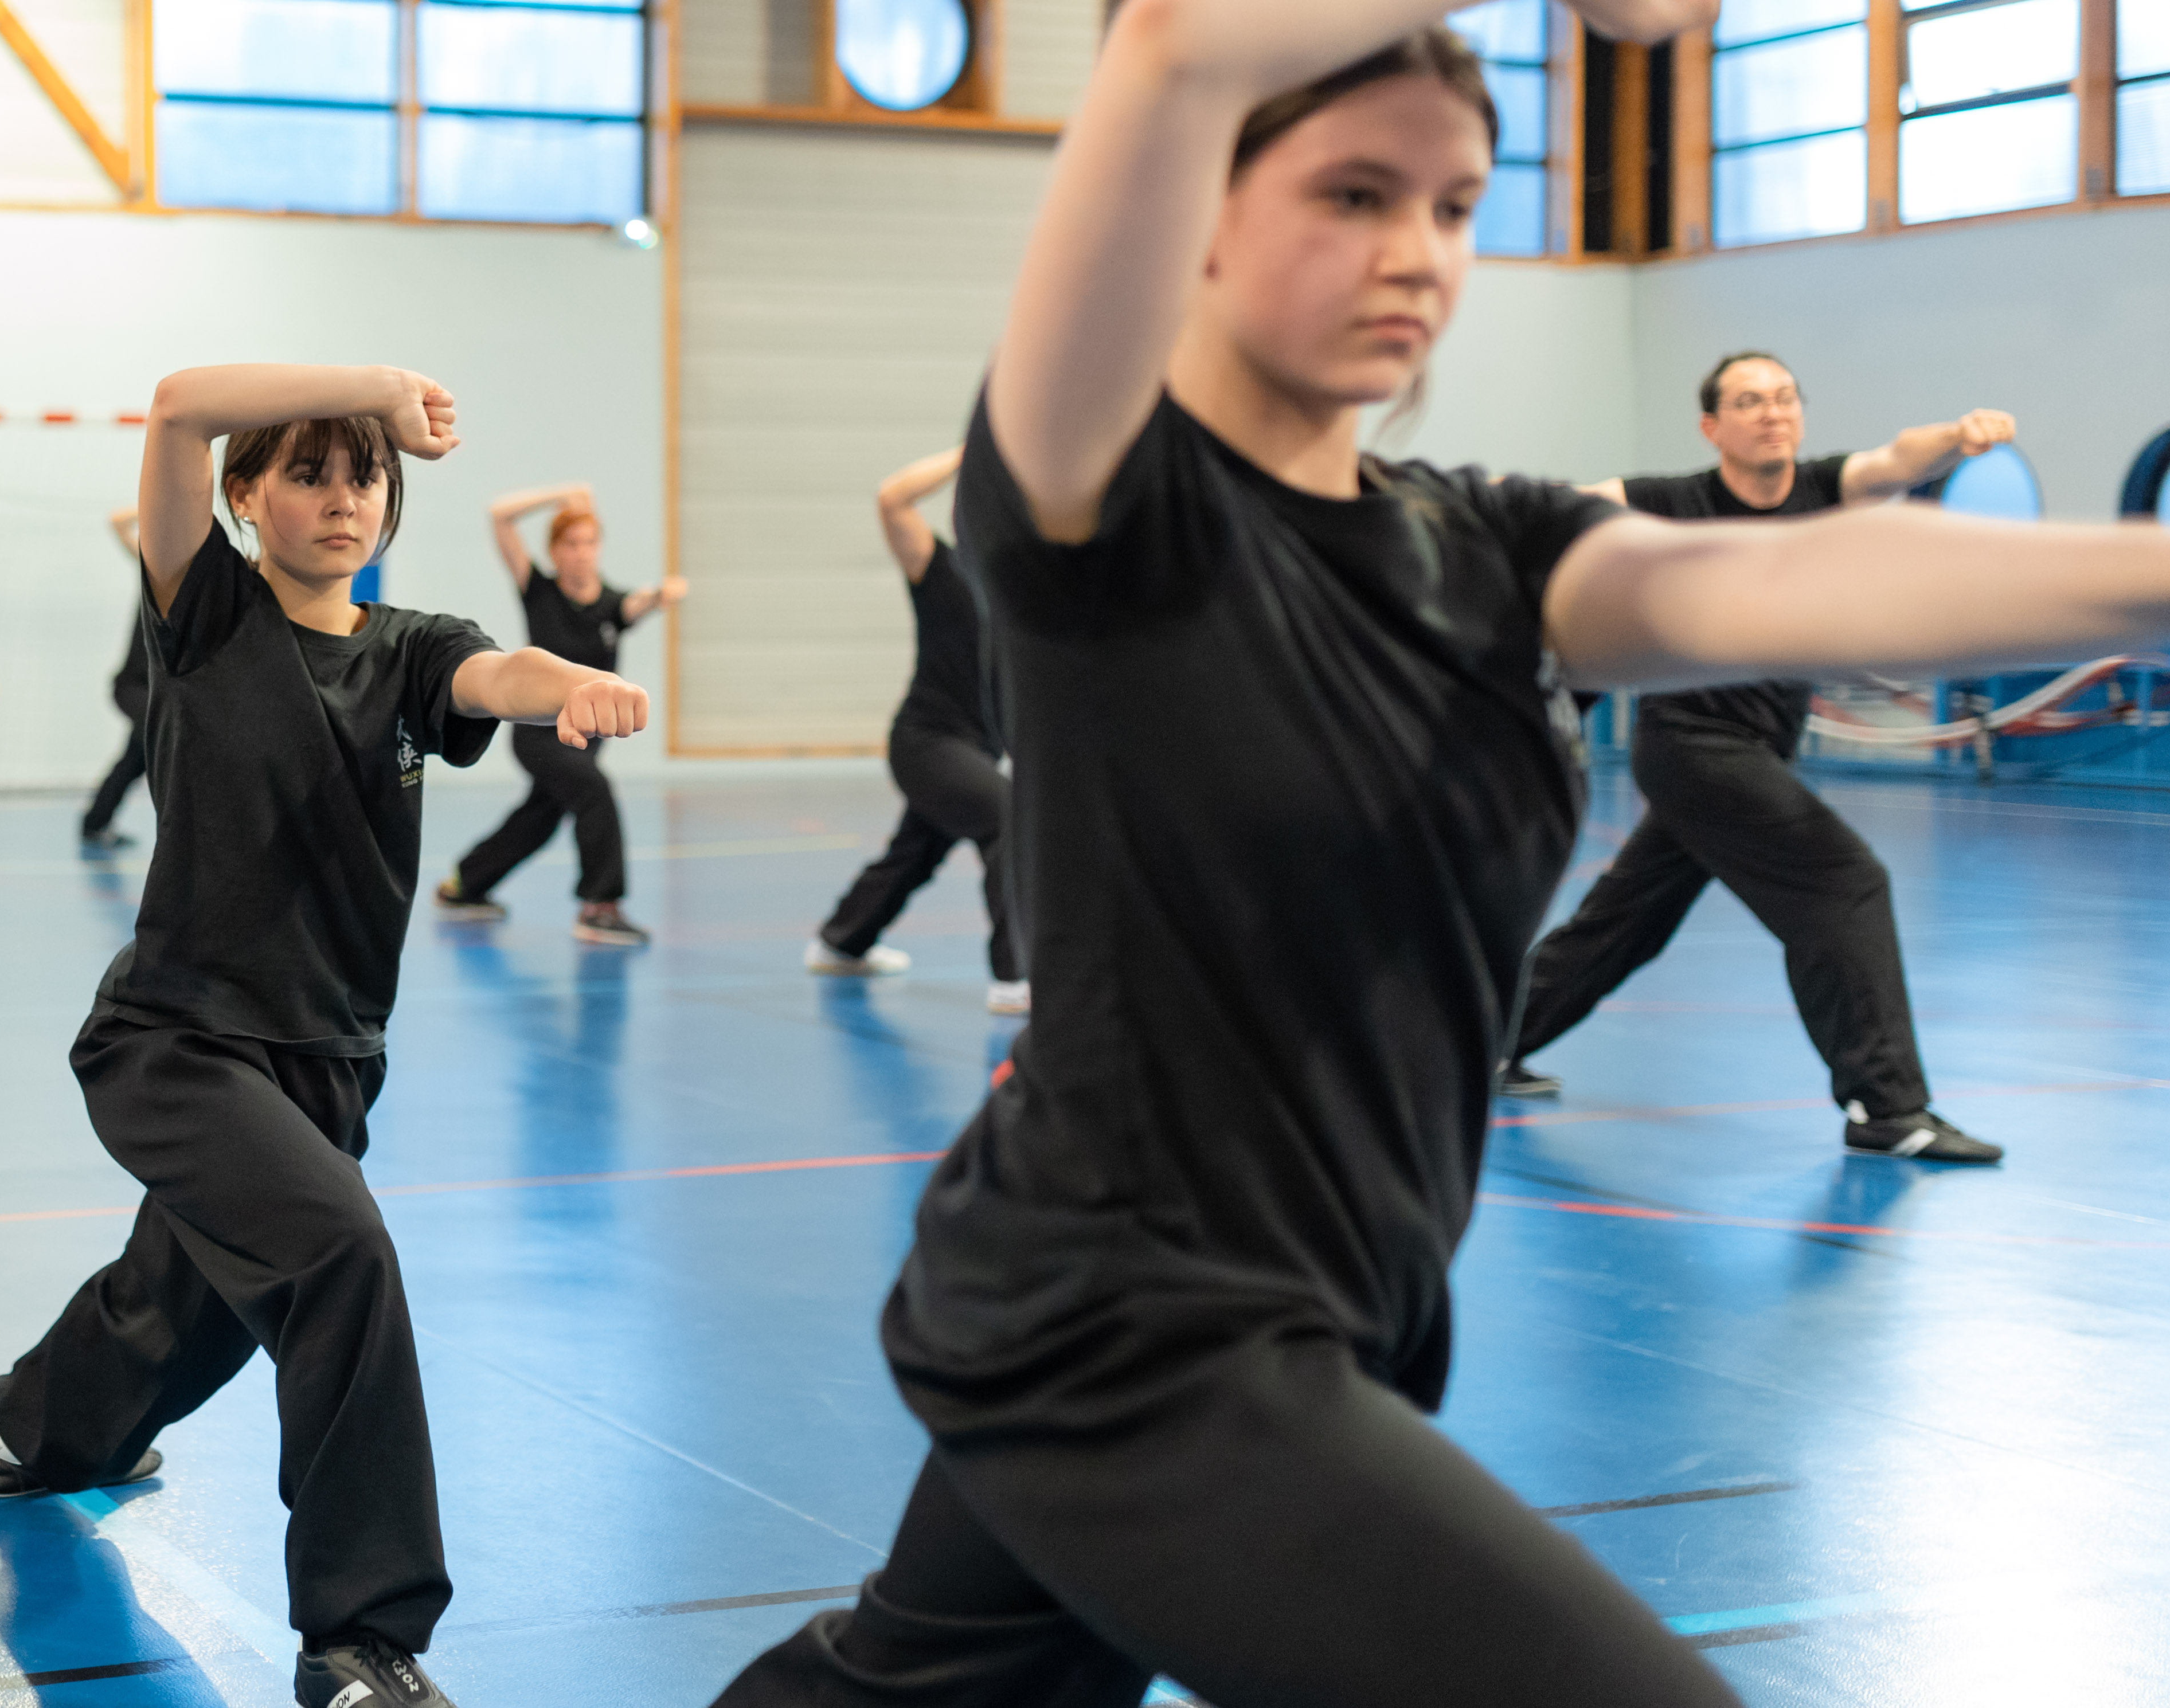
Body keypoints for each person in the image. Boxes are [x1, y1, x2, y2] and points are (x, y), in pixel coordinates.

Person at [707, 0, 2170, 1701]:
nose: (1415, 250)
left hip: (1328, 1309)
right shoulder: (1098, 503)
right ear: (1201, 213)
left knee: (909, 1686)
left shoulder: (1482, 541)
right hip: (1133, 1333)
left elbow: (1778, 581)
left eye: (1455, 204)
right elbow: (1170, 45)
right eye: (1352, 194)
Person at [0, 363, 650, 1708]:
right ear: (245, 495)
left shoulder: (410, 648)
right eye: (308, 472)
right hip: (176, 1042)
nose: (344, 498)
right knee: (339, 1255)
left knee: (185, 1304)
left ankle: (42, 1426)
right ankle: (358, 1633)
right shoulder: (206, 612)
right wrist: (376, 394)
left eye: (365, 476)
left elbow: (496, 671)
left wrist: (565, 677)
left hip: (328, 1059)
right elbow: (180, 402)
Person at [1500, 353, 2017, 1164]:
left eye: (1783, 398)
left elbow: (1896, 460)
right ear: (1712, 427)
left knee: (1622, 922)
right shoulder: (1672, 502)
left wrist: (1958, 437)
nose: (1771, 413)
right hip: (1693, 747)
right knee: (1844, 883)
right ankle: (1887, 1108)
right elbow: (1558, 507)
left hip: (1753, 750)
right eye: (1748, 402)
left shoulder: (1824, 489)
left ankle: (1484, 1043)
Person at [807, 447, 1025, 1013]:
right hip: (926, 743)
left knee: (916, 851)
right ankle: (1015, 978)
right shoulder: (940, 567)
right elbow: (892, 498)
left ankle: (840, 942)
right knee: (1007, 815)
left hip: (974, 751)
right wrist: (974, 447)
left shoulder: (1017, 590)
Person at [432, 483, 684, 945]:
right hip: (538, 735)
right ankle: (600, 907)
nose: (581, 553)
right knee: (594, 792)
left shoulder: (612, 605)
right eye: (571, 544)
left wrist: (661, 594)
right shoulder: (539, 591)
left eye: (589, 543)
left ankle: (464, 885)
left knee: (539, 818)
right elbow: (500, 515)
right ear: (555, 551)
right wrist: (561, 495)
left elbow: (638, 604)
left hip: (585, 740)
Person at [81, 506, 152, 852]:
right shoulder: (159, 569)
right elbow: (118, 521)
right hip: (135, 687)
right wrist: (165, 503)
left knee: (136, 758)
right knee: (164, 746)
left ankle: (95, 823)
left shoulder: (210, 586)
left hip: (162, 693)